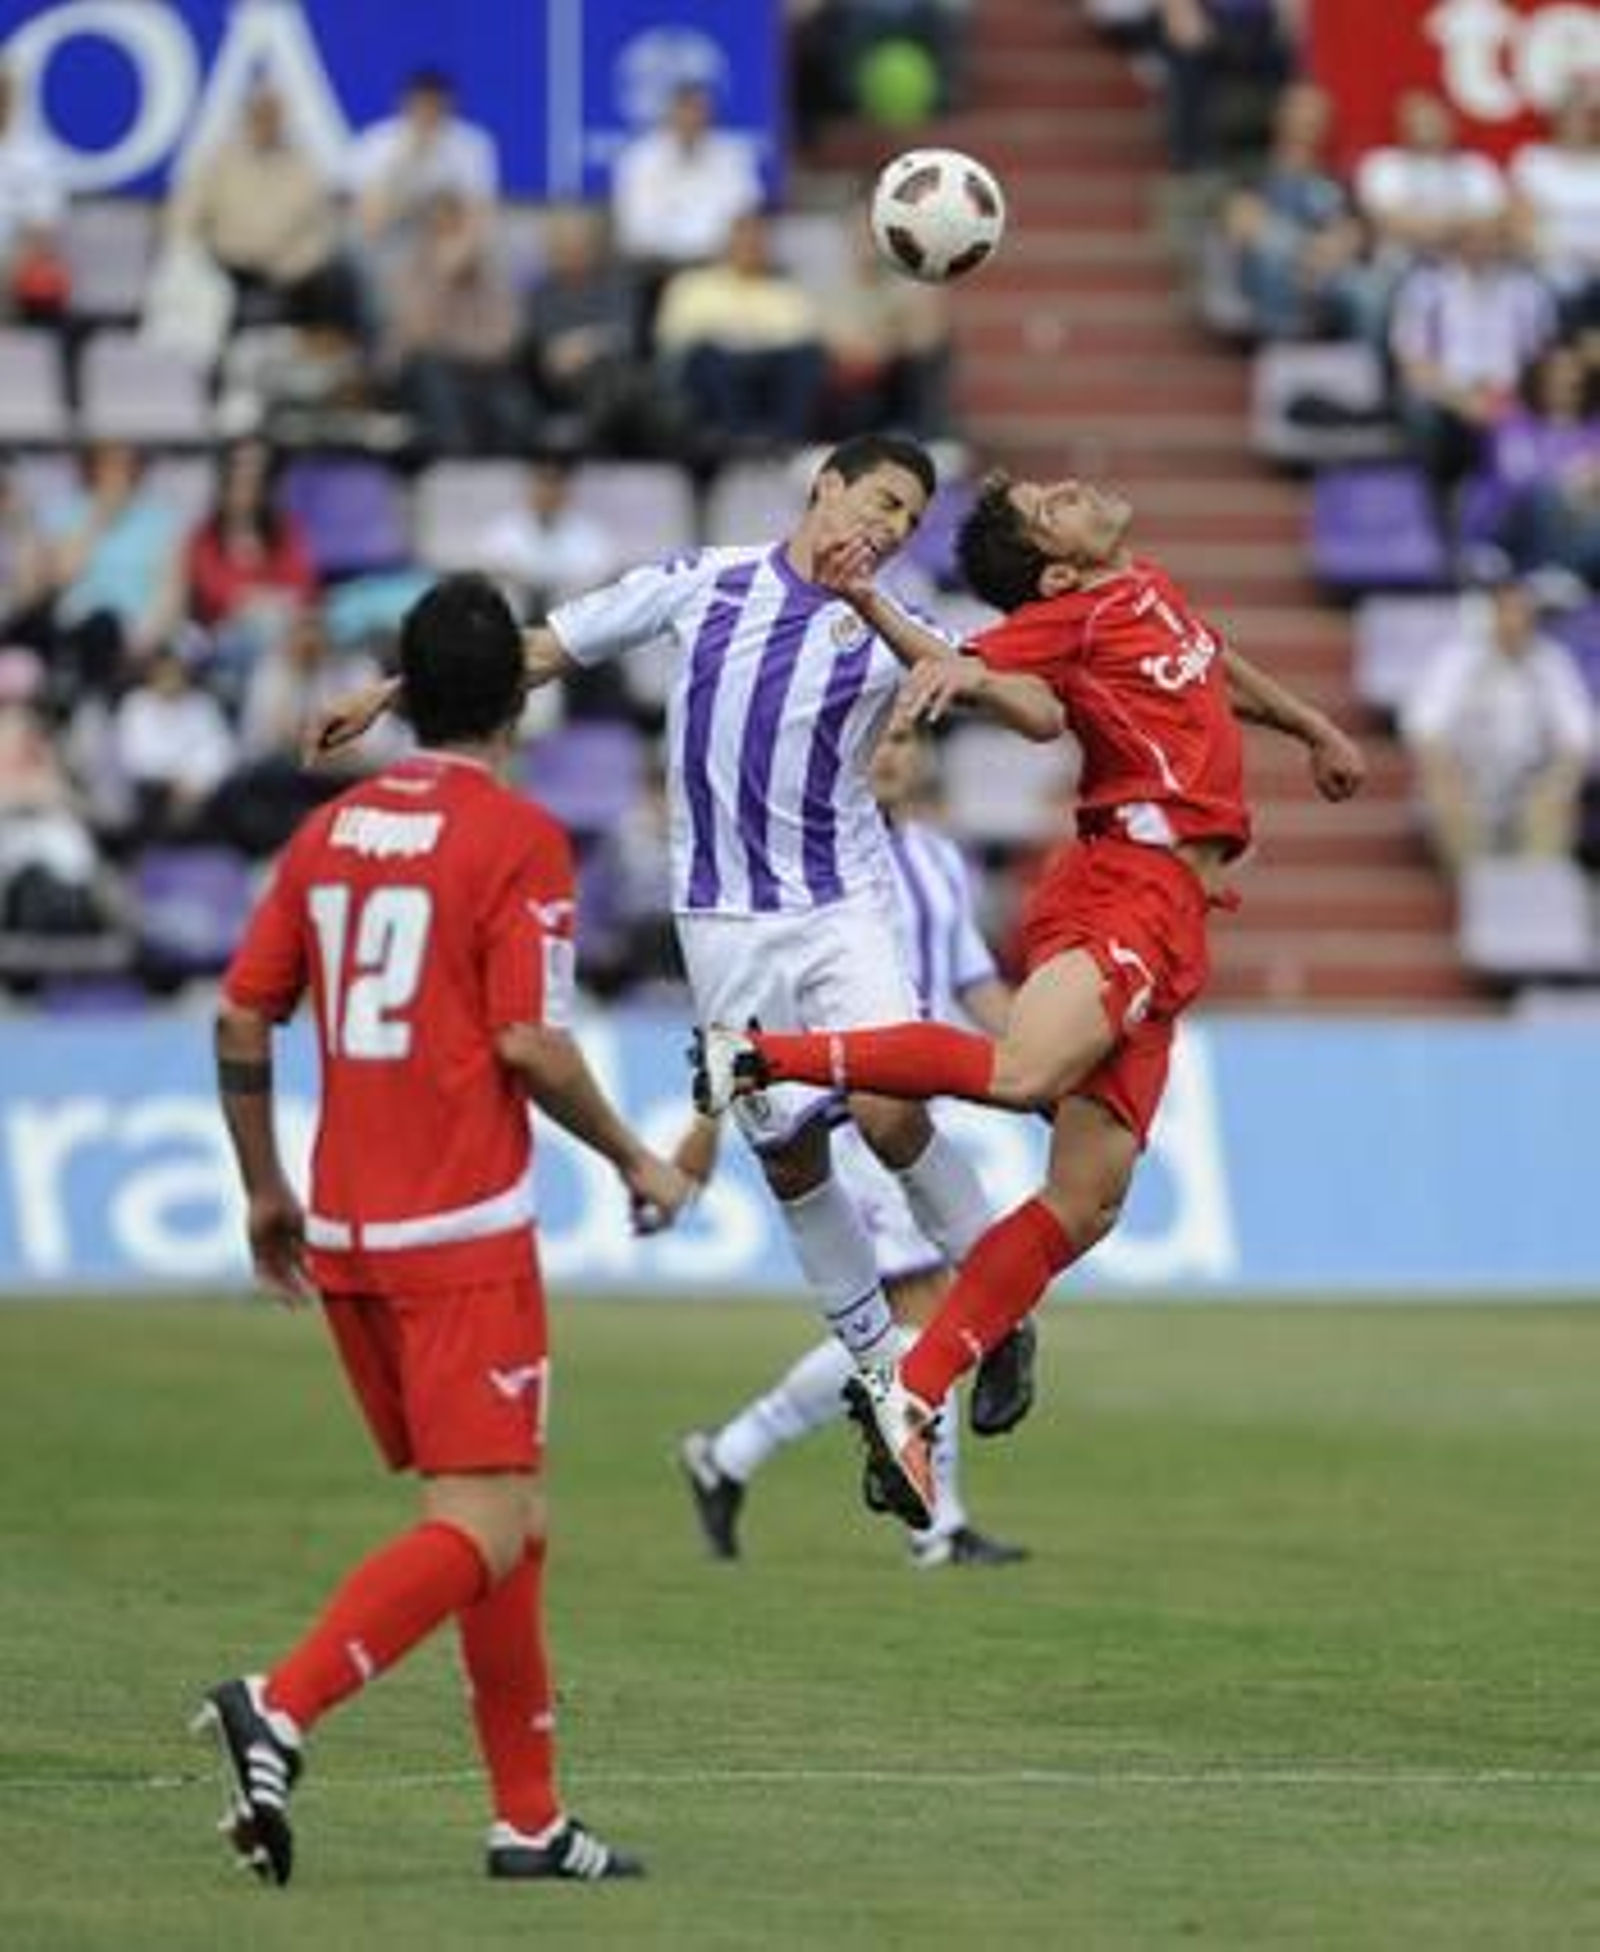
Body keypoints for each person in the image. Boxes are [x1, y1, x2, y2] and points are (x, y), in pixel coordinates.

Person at [307, 435, 1041, 1439]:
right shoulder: (706, 582)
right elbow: (534, 652)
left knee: (889, 1112)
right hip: (720, 923)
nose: (889, 529)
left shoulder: (886, 620)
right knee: (789, 1159)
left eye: (909, 520)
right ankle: (884, 1379)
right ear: (825, 487)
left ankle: (1002, 1314)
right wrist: (390, 693)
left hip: (841, 906)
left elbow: (1030, 708)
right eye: (880, 502)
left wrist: (944, 661)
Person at [694, 469, 1367, 1527]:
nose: (1073, 489)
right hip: (1124, 884)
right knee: (1024, 1071)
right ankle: (759, 1055)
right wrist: (901, 630)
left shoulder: (1143, 587)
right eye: (1051, 507)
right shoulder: (1069, 617)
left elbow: (1206, 659)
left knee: (1088, 1200)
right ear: (1054, 571)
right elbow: (975, 666)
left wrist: (1310, 723)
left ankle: (910, 1396)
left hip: (1178, 913)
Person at [200, 573, 691, 1887]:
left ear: (408, 689)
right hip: (462, 1232)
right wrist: (636, 1154)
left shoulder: (329, 830)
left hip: (347, 1228)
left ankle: (529, 1819)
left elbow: (243, 1013)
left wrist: (263, 1188)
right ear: (520, 693)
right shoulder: (519, 838)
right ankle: (280, 1703)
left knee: (507, 1514)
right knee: (481, 1521)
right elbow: (531, 1042)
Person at [677, 723, 1026, 1569]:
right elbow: (749, 1007)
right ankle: (933, 1527)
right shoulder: (813, 872)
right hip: (846, 1104)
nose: (892, 755)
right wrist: (709, 1126)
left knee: (918, 1320)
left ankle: (730, 1454)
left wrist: (1045, 1059)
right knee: (926, 1315)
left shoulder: (939, 862)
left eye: (905, 739)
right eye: (878, 740)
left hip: (916, 1103)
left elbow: (973, 983)